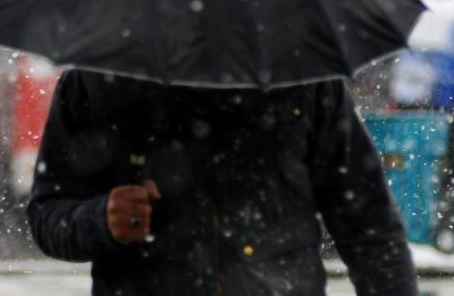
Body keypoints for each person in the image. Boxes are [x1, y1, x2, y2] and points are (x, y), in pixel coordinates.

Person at [28, 69, 417, 295]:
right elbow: (48, 213)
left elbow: (369, 225)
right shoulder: (94, 84)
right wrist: (100, 219)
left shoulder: (303, 78)